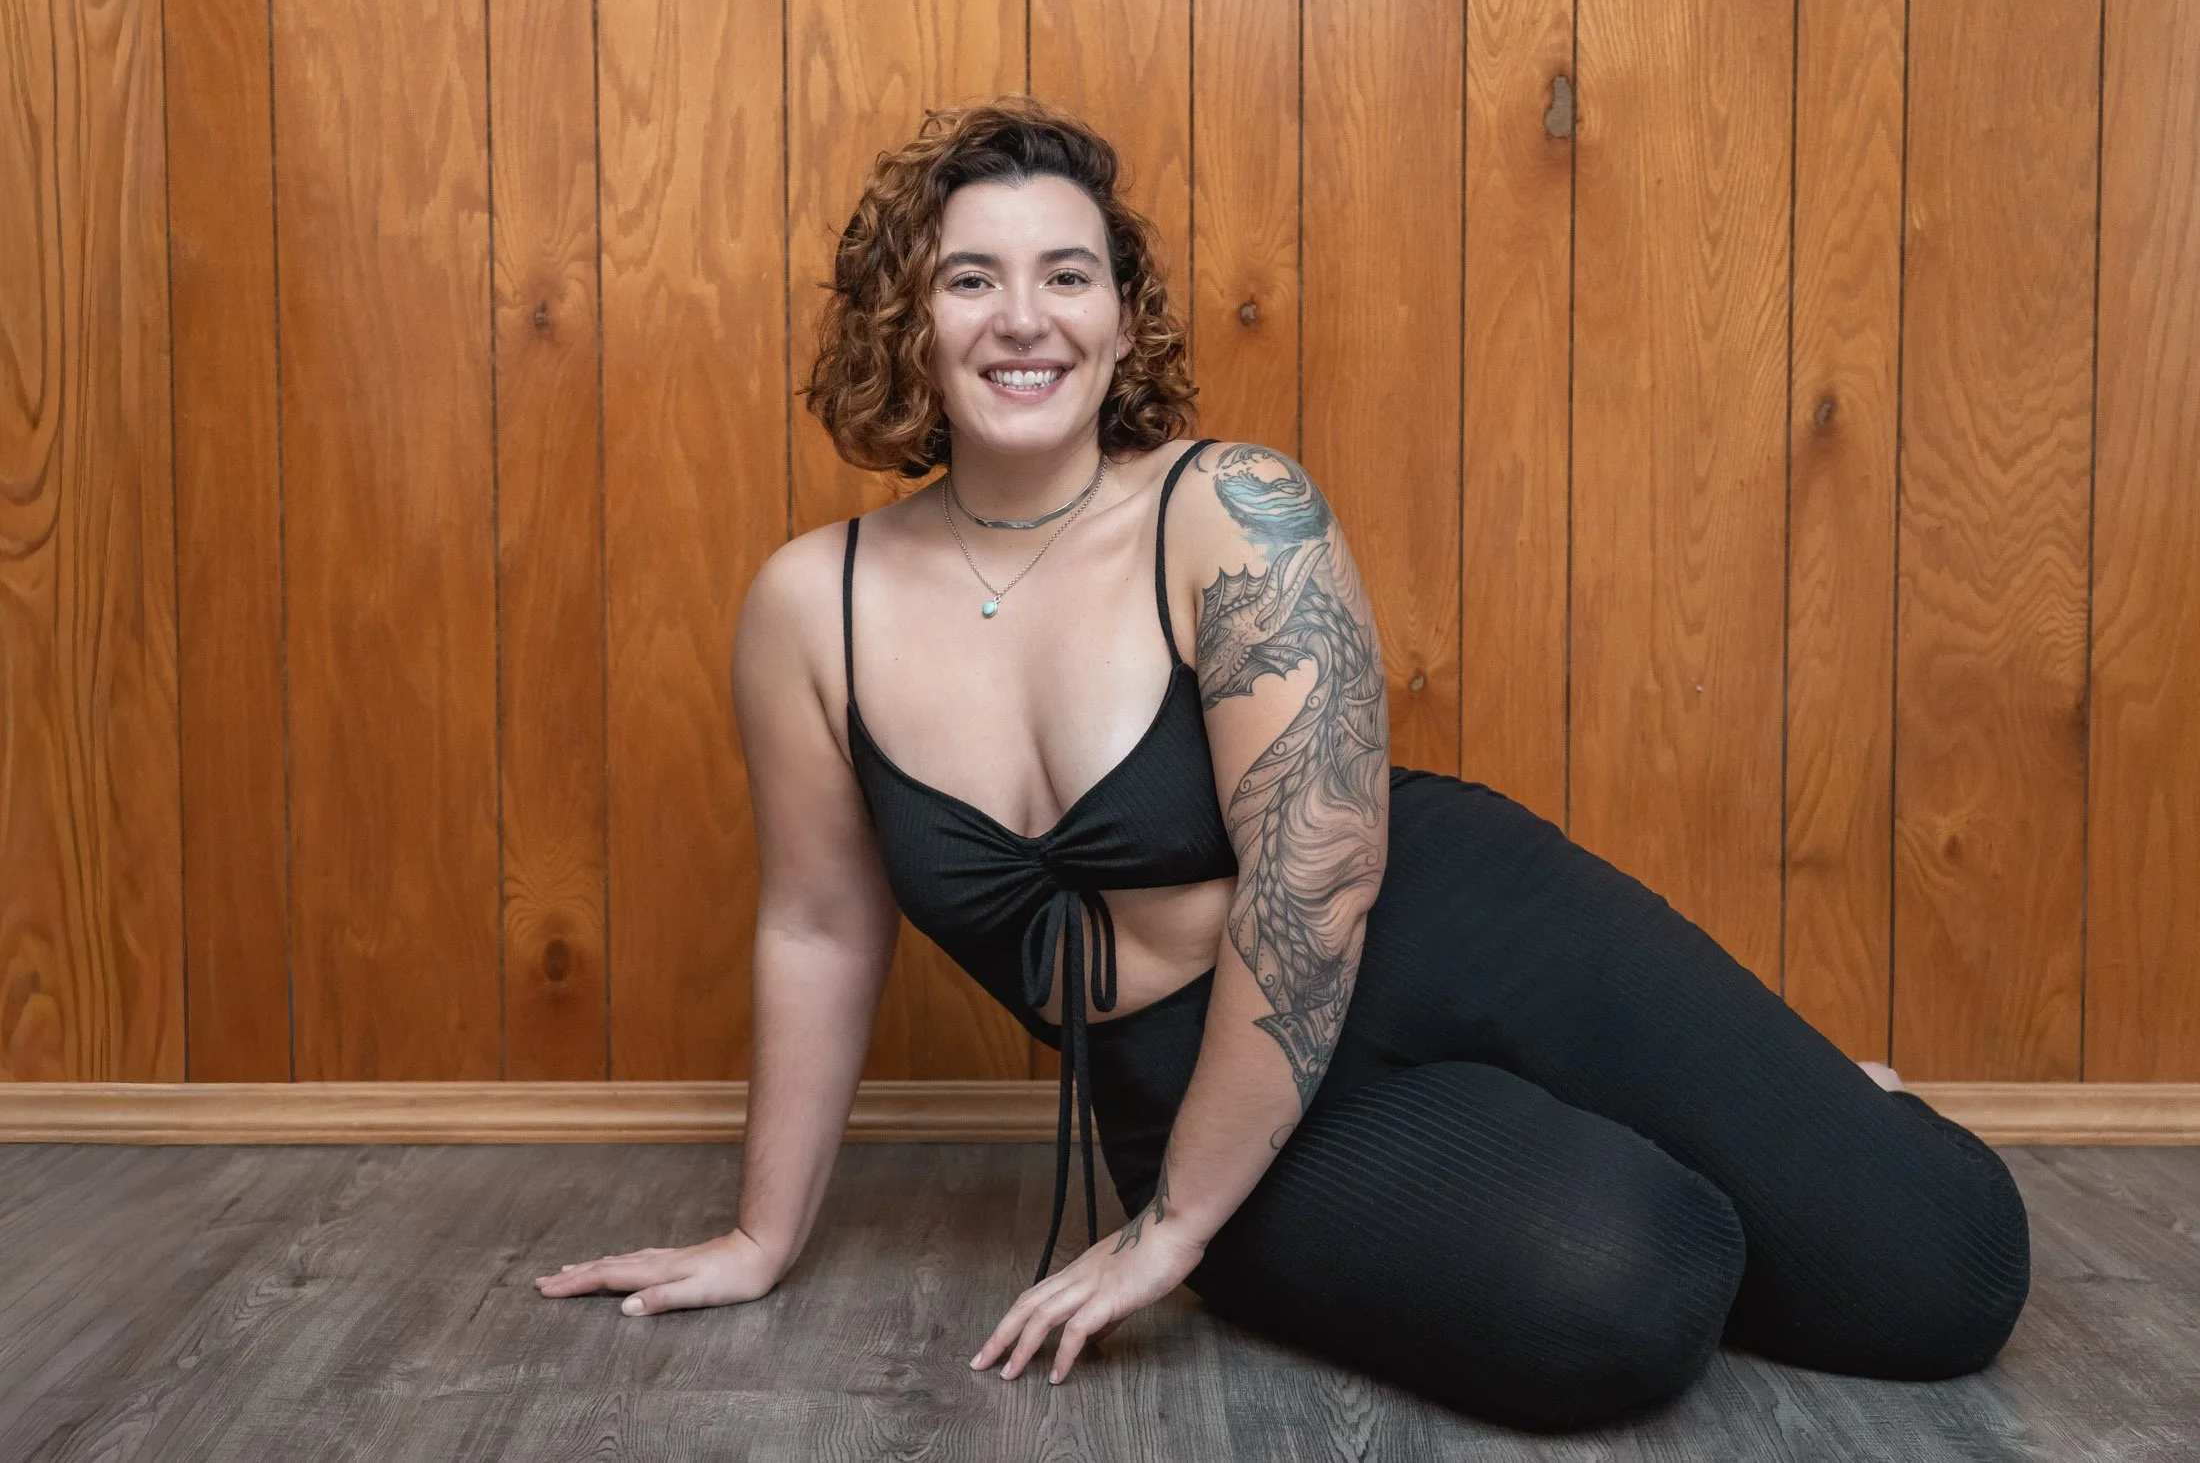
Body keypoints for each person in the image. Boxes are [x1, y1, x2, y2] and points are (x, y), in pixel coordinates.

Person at [533, 95, 2030, 1430]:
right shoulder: (817, 605)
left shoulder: (1231, 508)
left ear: (1124, 316)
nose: (1024, 319)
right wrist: (763, 1235)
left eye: (1070, 275)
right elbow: (818, 922)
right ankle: (1705, 1130)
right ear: (905, 318)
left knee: (1942, 1271)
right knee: (1628, 1294)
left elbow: (1317, 878)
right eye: (970, 277)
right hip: (1186, 1082)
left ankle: (1791, 1111)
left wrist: (1176, 1229)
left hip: (1441, 930)